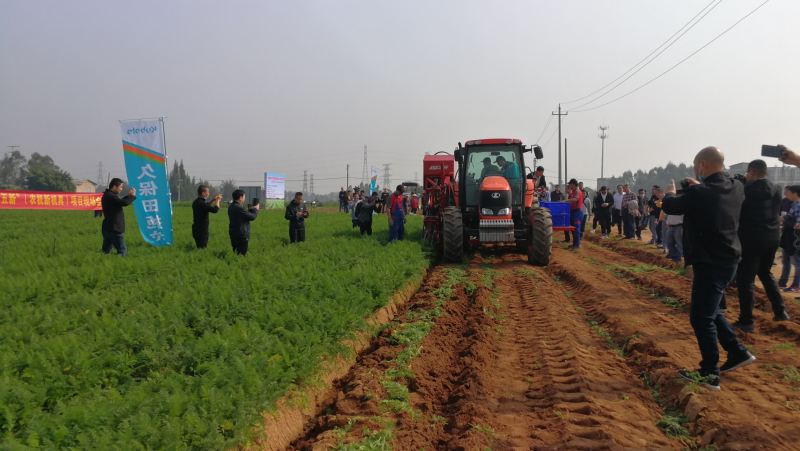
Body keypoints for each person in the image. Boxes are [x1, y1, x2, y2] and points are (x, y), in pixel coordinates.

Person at [662, 146, 753, 390]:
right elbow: (713, 195)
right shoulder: (736, 187)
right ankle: (737, 352)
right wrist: (697, 187)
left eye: (695, 165)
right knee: (711, 311)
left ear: (702, 165)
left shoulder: (700, 193)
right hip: (730, 259)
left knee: (700, 317)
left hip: (710, 262)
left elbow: (670, 207)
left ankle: (709, 372)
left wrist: (670, 193)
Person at [730, 160, 790, 333]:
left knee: (745, 280)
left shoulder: (746, 190)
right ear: (767, 173)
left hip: (751, 238)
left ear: (751, 173)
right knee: (765, 272)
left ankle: (746, 320)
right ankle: (780, 310)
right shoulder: (777, 188)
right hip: (772, 237)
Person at [101, 178, 136, 256]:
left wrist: (128, 196)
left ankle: (99, 261)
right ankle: (120, 264)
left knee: (105, 251)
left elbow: (119, 202)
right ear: (114, 187)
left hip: (108, 227)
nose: (121, 189)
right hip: (114, 228)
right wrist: (132, 197)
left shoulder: (108, 195)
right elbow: (123, 203)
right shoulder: (110, 196)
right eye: (120, 187)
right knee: (122, 251)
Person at [778, 186, 800, 290]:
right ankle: (783, 282)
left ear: (795, 194)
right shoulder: (793, 205)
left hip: (794, 238)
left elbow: (798, 224)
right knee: (785, 260)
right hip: (788, 236)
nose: (786, 194)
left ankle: (796, 285)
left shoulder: (799, 205)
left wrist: (786, 219)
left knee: (796, 261)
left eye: (789, 192)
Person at [228, 189, 259, 255]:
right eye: (244, 197)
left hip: (234, 234)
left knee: (236, 253)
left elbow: (244, 214)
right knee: (242, 255)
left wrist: (252, 209)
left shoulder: (231, 206)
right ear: (240, 198)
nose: (244, 199)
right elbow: (252, 217)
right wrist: (256, 210)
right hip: (241, 235)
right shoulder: (239, 208)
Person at [564, 179, 584, 249]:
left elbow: (575, 199)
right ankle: (574, 243)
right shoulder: (572, 193)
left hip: (577, 212)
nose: (569, 186)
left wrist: (564, 201)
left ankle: (577, 244)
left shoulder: (577, 191)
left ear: (573, 184)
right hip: (573, 212)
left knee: (576, 229)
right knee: (573, 229)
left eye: (570, 184)